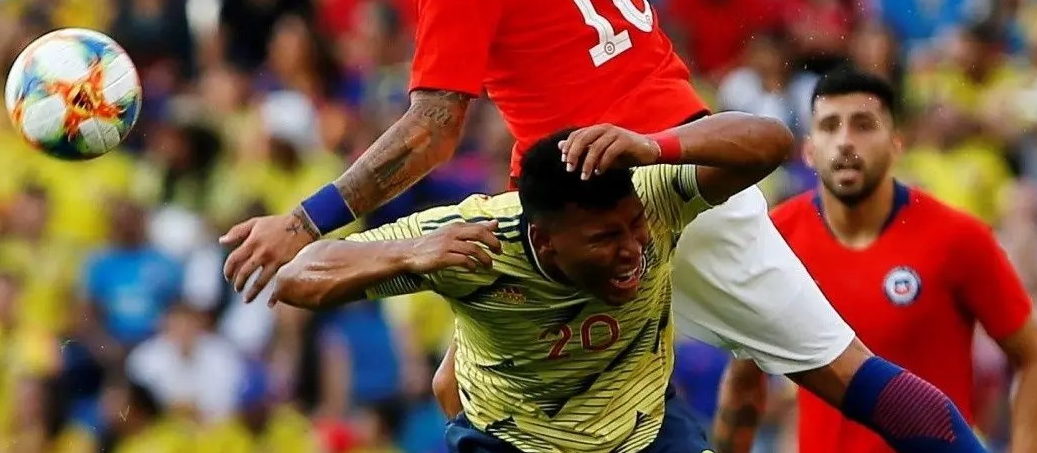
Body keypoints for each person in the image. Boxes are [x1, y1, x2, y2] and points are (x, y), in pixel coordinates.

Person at [216, 0, 984, 451]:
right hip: (657, 174)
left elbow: (433, 130)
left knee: (844, 378)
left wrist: (304, 221)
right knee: (461, 387)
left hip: (626, 204)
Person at [272, 113, 793, 451]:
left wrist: (655, 145)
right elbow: (295, 278)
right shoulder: (471, 239)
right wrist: (410, 254)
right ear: (544, 242)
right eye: (605, 238)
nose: (633, 249)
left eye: (635, 225)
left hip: (643, 430)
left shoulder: (655, 193)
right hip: (514, 442)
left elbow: (773, 142)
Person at [712, 69, 1037, 453]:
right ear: (809, 150)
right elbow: (744, 380)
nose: (845, 141)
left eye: (863, 125)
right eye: (830, 126)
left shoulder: (958, 237)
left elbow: (1035, 356)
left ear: (897, 144)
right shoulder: (776, 239)